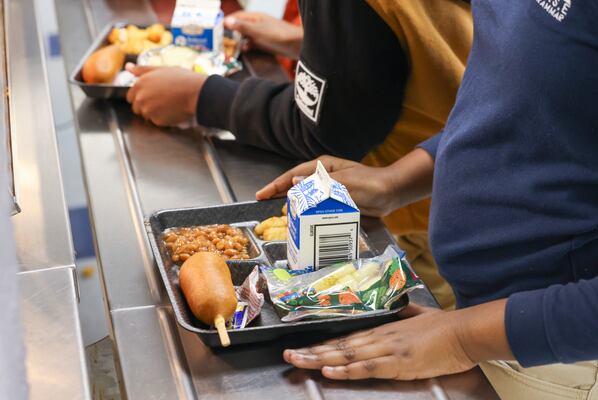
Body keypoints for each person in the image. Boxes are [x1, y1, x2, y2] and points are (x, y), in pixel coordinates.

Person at [257, 1, 598, 398]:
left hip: (550, 352)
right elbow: (524, 101)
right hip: (483, 317)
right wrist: (396, 183)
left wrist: (462, 337)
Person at [126, 0, 473, 310]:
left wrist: (202, 98)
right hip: (449, 186)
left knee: (428, 315)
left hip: (409, 225)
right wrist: (312, 43)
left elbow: (326, 131)